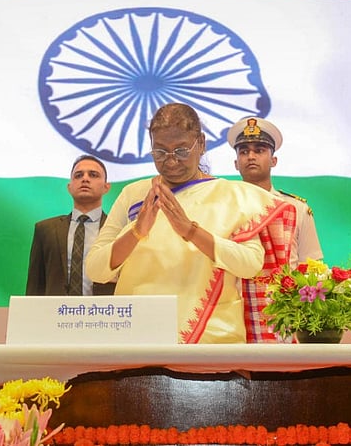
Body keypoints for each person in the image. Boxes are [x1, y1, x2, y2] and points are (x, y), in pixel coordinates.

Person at [86, 103, 296, 344]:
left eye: (182, 151)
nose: (171, 161)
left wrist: (190, 231)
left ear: (202, 144)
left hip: (211, 339)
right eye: (160, 152)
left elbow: (250, 265)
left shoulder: (233, 196)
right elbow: (95, 269)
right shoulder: (134, 194)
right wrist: (137, 231)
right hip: (137, 336)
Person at [227, 116, 323, 268]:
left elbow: (310, 266)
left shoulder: (296, 208)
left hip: (285, 291)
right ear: (236, 163)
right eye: (244, 152)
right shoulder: (224, 207)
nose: (251, 156)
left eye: (259, 150)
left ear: (274, 160)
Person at [26, 155, 114, 296]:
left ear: (106, 187)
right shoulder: (46, 230)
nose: (85, 179)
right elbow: (36, 285)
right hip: (55, 314)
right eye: (78, 175)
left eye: (93, 175)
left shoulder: (118, 229)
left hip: (106, 314)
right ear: (69, 187)